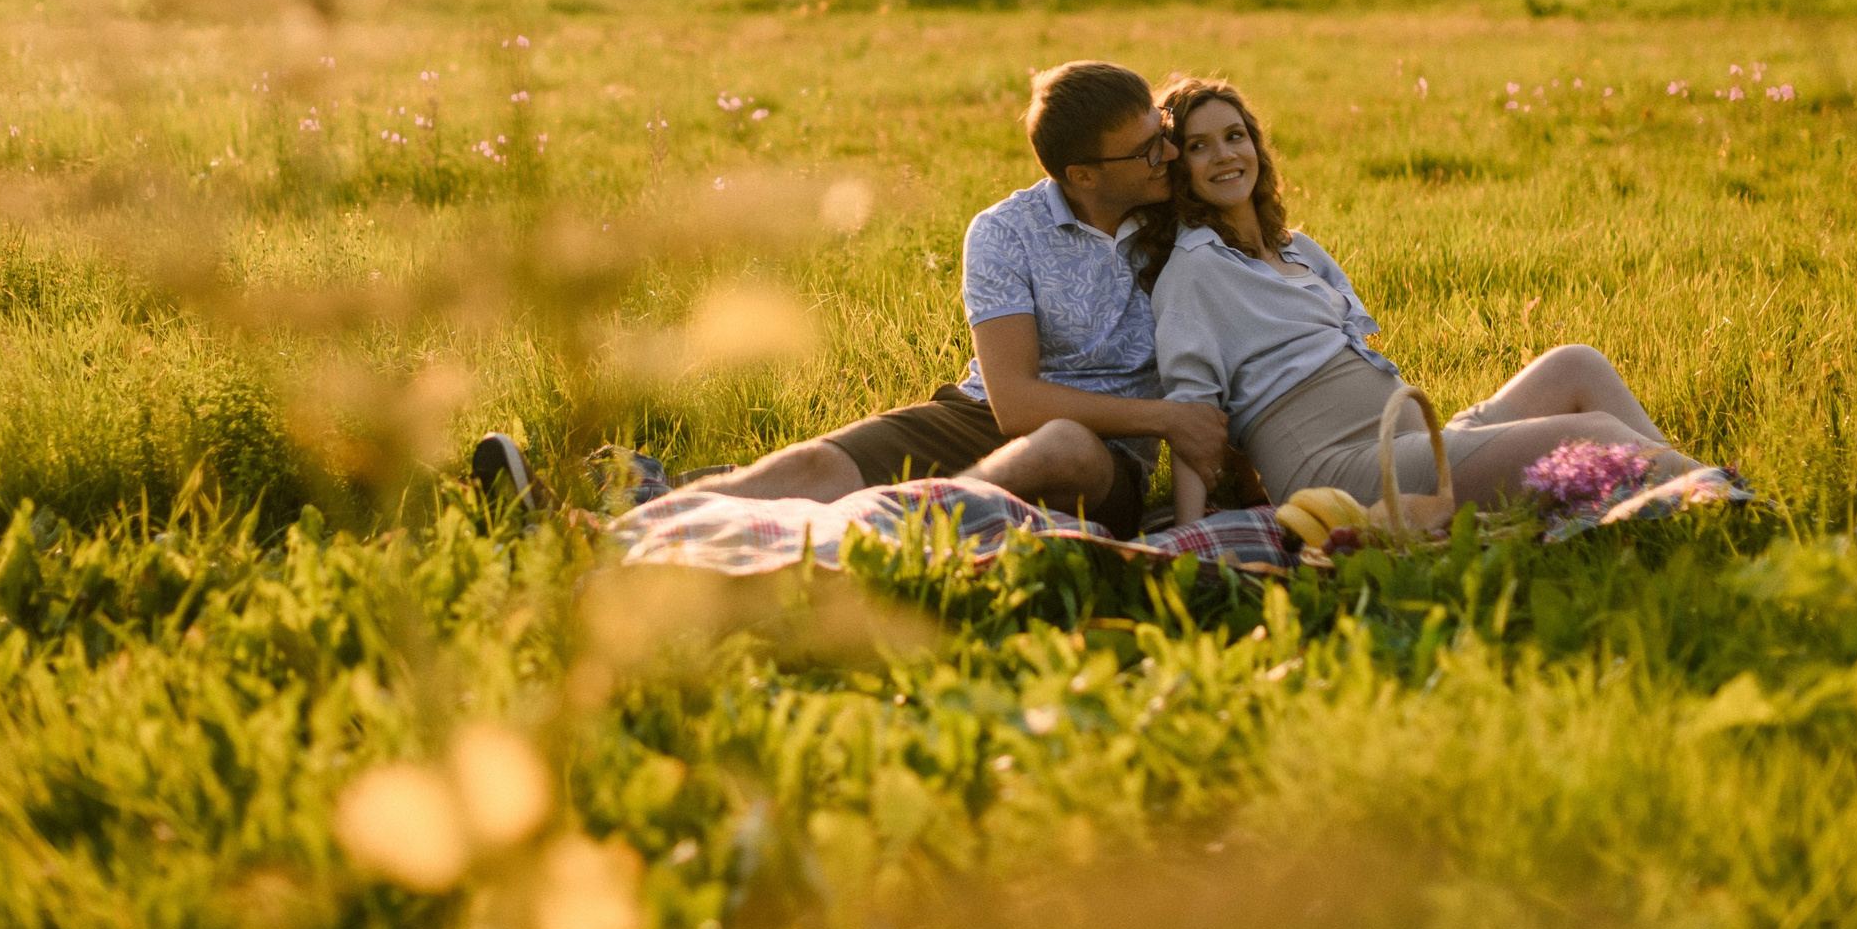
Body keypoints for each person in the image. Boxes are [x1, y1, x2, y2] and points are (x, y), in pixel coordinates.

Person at [673, 60, 1230, 538]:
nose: (1172, 152)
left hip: (1105, 459)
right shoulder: (1005, 231)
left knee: (1063, 443)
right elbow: (1012, 402)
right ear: (1081, 175)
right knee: (811, 464)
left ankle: (904, 524)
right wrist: (1167, 416)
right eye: (1149, 150)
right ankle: (639, 524)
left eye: (1165, 131)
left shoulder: (1185, 224)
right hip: (980, 418)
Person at [1137, 76, 1700, 515]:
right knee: (1592, 437)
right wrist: (1192, 526)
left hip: (1410, 444)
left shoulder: (1297, 248)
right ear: (1179, 168)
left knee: (1576, 365)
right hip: (1343, 474)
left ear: (1255, 144)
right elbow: (1193, 410)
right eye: (1199, 146)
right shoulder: (1195, 269)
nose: (1225, 155)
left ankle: (1688, 486)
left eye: (1234, 136)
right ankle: (1715, 496)